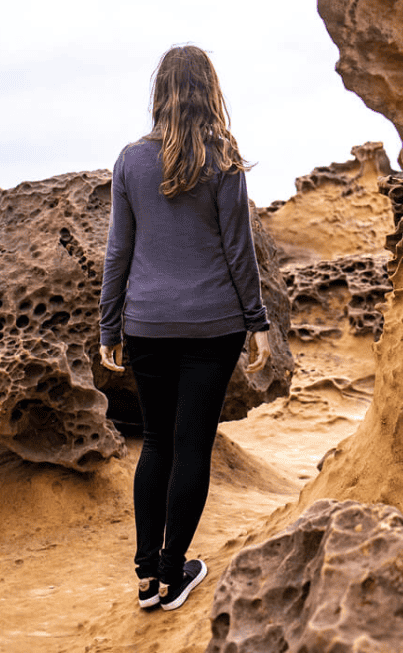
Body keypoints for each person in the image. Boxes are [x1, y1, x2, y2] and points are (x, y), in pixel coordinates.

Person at [98, 44, 271, 612]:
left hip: (146, 323)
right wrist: (258, 324)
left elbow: (118, 251)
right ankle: (175, 574)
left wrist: (109, 327)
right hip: (212, 326)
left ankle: (148, 578)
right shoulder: (222, 158)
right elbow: (238, 251)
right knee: (192, 446)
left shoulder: (129, 160)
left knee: (156, 445)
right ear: (209, 90)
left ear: (160, 91)